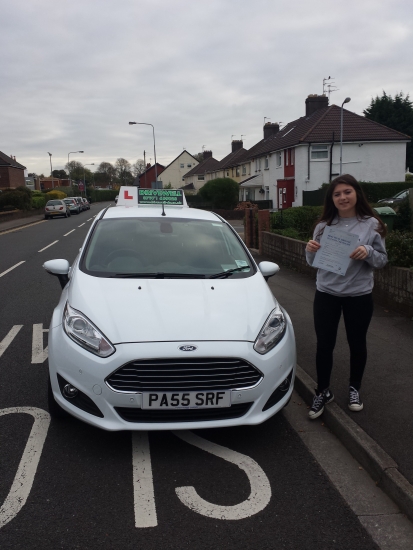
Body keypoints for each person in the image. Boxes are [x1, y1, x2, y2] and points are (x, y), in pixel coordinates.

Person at [305, 174, 387, 419]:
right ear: (332, 199)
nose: (342, 197)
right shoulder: (324, 226)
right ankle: (322, 391)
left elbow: (382, 260)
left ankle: (354, 388)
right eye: (337, 194)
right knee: (324, 345)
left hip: (358, 295)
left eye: (347, 192)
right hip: (327, 293)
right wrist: (309, 250)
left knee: (357, 343)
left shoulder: (372, 225)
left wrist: (369, 251)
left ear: (356, 193)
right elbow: (313, 262)